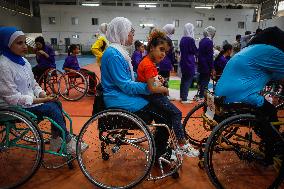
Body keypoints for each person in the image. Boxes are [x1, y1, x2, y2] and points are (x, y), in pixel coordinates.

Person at [101, 17, 183, 161]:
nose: (132, 34)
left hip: (121, 95)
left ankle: (160, 147)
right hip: (119, 98)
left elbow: (129, 77)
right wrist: (151, 87)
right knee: (165, 117)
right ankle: (159, 152)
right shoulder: (113, 54)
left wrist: (151, 82)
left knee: (163, 111)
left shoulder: (118, 51)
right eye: (130, 31)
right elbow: (126, 85)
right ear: (122, 32)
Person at [0, 27, 87, 153]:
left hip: (27, 101)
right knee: (51, 108)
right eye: (19, 43)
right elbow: (12, 98)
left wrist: (43, 93)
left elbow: (33, 84)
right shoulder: (4, 66)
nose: (25, 46)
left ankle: (56, 138)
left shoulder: (23, 61)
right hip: (12, 107)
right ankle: (66, 140)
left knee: (56, 102)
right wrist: (42, 100)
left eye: (25, 42)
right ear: (6, 44)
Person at [215, 26, 284, 163]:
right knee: (270, 111)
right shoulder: (274, 52)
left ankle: (266, 138)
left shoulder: (248, 49)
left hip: (221, 94)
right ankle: (272, 150)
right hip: (241, 96)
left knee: (266, 111)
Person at [137, 29, 199, 157]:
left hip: (153, 95)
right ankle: (182, 144)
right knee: (177, 113)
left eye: (165, 51)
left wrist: (159, 81)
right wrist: (165, 89)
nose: (163, 54)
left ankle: (166, 145)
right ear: (152, 48)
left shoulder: (149, 62)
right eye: (161, 49)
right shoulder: (148, 64)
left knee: (169, 117)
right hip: (154, 97)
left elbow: (154, 82)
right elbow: (153, 88)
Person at [179, 23, 198, 103]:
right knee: (188, 80)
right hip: (189, 62)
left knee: (184, 79)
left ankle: (182, 96)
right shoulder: (190, 40)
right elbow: (195, 51)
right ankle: (184, 98)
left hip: (183, 61)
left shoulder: (182, 39)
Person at [196, 26, 216, 101]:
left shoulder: (202, 41)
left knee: (201, 80)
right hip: (206, 65)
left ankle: (200, 95)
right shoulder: (209, 42)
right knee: (205, 80)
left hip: (201, 63)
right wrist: (212, 67)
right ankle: (202, 96)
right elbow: (209, 56)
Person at [160, 24, 176, 100]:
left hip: (160, 63)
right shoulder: (168, 40)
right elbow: (171, 54)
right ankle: (165, 95)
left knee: (160, 79)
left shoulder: (160, 38)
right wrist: (172, 63)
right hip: (166, 63)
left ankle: (162, 94)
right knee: (165, 80)